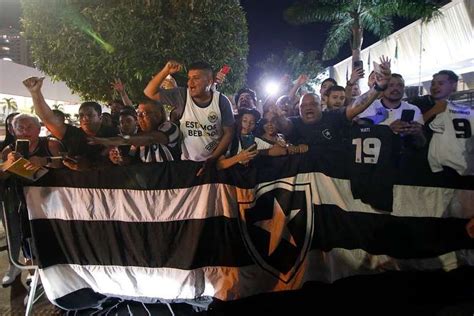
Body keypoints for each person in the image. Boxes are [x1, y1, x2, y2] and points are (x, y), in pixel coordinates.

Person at [144, 60, 234, 175]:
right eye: (189, 78)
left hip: (215, 164)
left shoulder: (222, 101)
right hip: (187, 165)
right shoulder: (182, 96)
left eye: (196, 78)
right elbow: (149, 92)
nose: (190, 83)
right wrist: (166, 70)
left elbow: (229, 133)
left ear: (210, 81)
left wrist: (212, 159)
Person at [22, 77, 118, 171]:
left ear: (100, 118)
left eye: (90, 115)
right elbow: (48, 119)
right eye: (81, 115)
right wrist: (35, 93)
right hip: (78, 185)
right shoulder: (73, 134)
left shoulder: (113, 133)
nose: (85, 118)